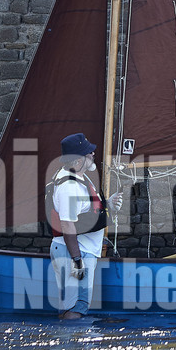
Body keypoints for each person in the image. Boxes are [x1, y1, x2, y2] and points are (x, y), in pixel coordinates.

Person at [46, 132, 107, 319]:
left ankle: (71, 341)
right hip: (74, 251)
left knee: (76, 304)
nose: (93, 155)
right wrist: (77, 260)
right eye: (89, 153)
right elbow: (67, 225)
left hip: (83, 248)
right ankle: (70, 343)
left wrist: (108, 203)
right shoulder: (69, 187)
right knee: (75, 307)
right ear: (78, 160)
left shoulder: (78, 177)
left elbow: (84, 211)